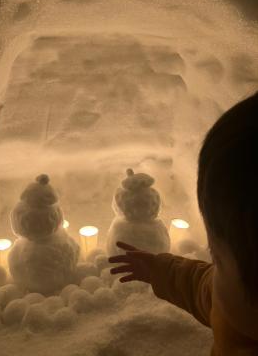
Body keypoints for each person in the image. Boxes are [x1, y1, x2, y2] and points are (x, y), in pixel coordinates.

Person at [109, 92, 258, 355]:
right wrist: (160, 269)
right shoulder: (236, 306)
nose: (214, 272)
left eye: (219, 260)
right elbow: (203, 287)